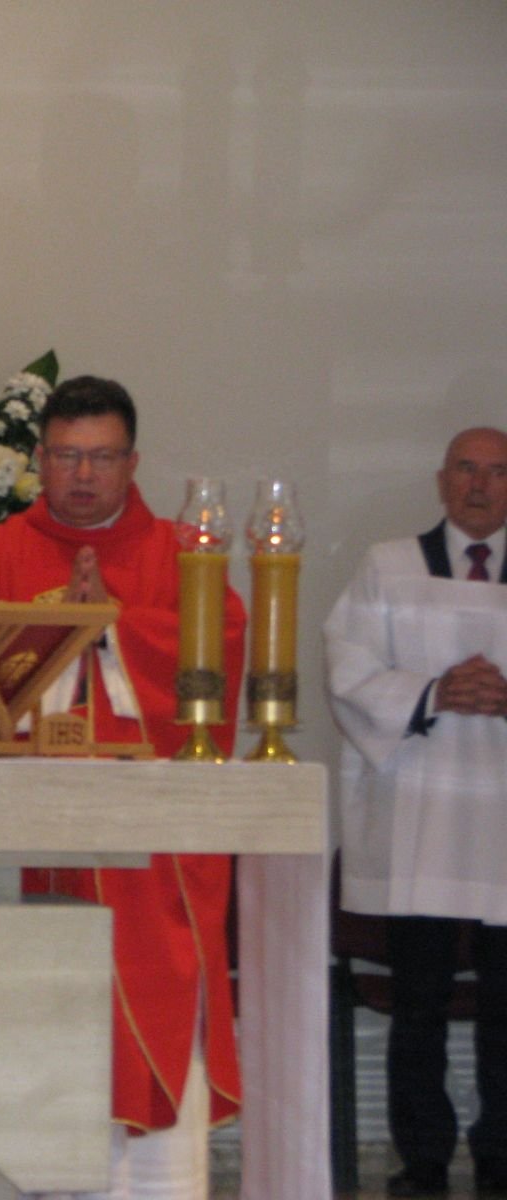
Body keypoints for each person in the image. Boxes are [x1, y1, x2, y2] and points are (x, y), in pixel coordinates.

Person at [0, 375, 245, 1200]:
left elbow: (220, 662)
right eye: (66, 456)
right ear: (39, 458)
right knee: (28, 1058)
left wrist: (113, 628)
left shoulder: (184, 557)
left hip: (148, 870)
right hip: (25, 855)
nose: (82, 475)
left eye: (102, 458)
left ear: (133, 462)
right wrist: (49, 639)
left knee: (150, 1093)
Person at [325, 425, 507, 1198]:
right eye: (466, 469)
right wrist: (435, 693)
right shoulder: (388, 566)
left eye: (496, 472)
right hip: (418, 820)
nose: (479, 485)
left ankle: (502, 1157)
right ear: (441, 480)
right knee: (419, 1002)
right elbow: (349, 669)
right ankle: (424, 1161)